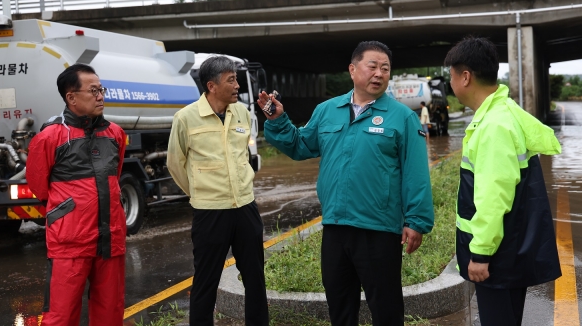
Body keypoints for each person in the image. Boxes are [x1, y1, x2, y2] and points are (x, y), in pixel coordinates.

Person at [258, 41, 434, 325]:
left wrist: (416, 220)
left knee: (386, 309)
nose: (379, 74)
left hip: (379, 229)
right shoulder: (327, 110)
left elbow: (415, 173)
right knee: (340, 306)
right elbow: (300, 145)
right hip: (336, 228)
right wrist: (278, 119)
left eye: (385, 69)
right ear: (353, 70)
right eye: (372, 66)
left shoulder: (402, 117)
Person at [444, 36, 562, 326]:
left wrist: (481, 254)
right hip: (508, 247)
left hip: (498, 255)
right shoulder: (503, 113)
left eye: (452, 76)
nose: (451, 83)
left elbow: (493, 196)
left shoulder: (494, 126)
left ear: (466, 77)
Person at [167, 56, 268, 326]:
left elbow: (244, 154)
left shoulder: (243, 114)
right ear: (212, 85)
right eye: (231, 80)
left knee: (255, 276)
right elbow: (176, 163)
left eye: (237, 79)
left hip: (245, 207)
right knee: (206, 280)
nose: (237, 86)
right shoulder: (186, 118)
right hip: (210, 213)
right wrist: (200, 192)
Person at [26, 64, 127, 326]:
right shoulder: (51, 137)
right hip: (70, 241)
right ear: (71, 97)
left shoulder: (115, 134)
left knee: (111, 312)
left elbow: (115, 174)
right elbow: (38, 185)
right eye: (93, 91)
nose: (100, 96)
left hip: (110, 238)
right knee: (61, 315)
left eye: (101, 89)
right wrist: (70, 210)